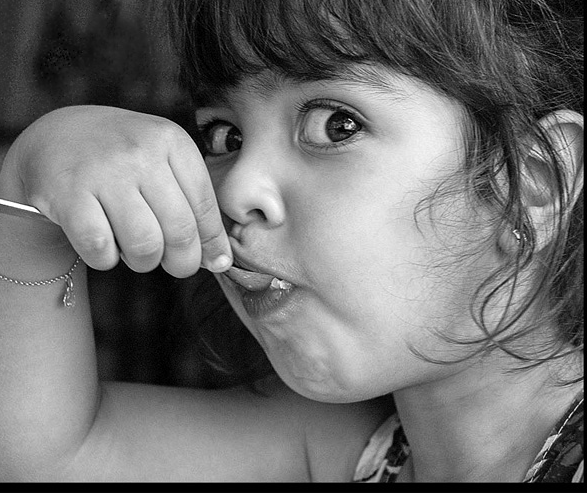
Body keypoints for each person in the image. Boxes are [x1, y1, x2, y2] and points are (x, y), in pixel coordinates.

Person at [0, 0, 583, 483]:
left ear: (534, 186)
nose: (234, 190)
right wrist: (29, 187)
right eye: (225, 136)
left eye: (335, 124)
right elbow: (48, 458)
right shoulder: (347, 450)